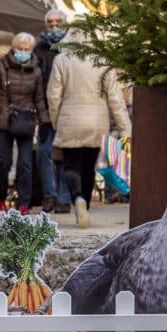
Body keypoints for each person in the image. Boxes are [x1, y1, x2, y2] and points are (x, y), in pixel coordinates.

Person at [47, 40, 131, 229]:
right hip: (97, 122)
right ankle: (85, 202)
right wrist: (126, 128)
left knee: (71, 165)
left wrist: (55, 120)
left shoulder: (61, 59)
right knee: (88, 166)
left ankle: (77, 199)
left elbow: (53, 95)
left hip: (70, 120)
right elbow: (115, 98)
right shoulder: (103, 61)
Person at [0, 34, 50, 214]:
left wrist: (45, 122)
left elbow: (39, 98)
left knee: (25, 164)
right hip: (3, 121)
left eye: (27, 49)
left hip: (25, 121)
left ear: (31, 50)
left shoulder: (36, 71)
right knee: (5, 162)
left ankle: (24, 203)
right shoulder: (1, 66)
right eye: (20, 48)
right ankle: (1, 199)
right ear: (14, 47)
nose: (23, 52)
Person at [35, 9, 71, 214]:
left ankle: (64, 198)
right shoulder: (39, 49)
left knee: (65, 157)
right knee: (45, 156)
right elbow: (35, 83)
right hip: (46, 113)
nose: (54, 26)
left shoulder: (72, 48)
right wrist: (40, 112)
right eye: (51, 23)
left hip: (67, 112)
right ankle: (49, 196)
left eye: (58, 22)